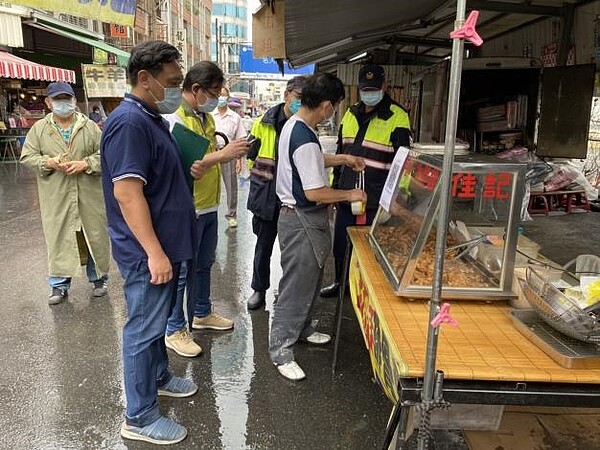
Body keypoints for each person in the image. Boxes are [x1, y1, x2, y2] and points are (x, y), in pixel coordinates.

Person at [100, 40, 199, 445]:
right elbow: (127, 193)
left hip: (164, 247)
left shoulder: (150, 116)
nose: (177, 89)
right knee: (142, 328)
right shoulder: (129, 122)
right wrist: (155, 252)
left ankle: (157, 377)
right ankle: (138, 416)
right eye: (172, 82)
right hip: (147, 253)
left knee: (155, 323)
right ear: (145, 78)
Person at [269, 73, 366, 381]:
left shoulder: (294, 126)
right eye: (334, 106)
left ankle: (303, 328)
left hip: (298, 216)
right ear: (325, 105)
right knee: (297, 285)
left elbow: (309, 161)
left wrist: (342, 159)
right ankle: (280, 349)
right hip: (300, 218)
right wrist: (350, 194)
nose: (333, 112)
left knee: (310, 280)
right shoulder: (304, 136)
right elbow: (314, 192)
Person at [162, 61, 249, 358]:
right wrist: (224, 154)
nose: (216, 99)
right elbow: (185, 164)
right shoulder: (175, 119)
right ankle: (174, 329)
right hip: (187, 207)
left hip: (209, 203)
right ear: (196, 89)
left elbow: (205, 158)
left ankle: (201, 312)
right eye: (213, 92)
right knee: (183, 270)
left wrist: (225, 154)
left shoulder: (204, 117)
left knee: (205, 263)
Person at [320, 64, 411, 298]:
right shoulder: (350, 113)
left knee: (371, 250)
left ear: (384, 86)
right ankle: (341, 283)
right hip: (347, 194)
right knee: (341, 244)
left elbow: (405, 163)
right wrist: (335, 187)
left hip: (376, 198)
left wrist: (396, 197)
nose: (369, 94)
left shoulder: (398, 116)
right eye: (364, 89)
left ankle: (368, 292)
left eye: (374, 88)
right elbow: (341, 152)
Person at [20, 82, 110, 305]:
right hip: (56, 196)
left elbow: (106, 155)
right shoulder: (40, 129)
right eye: (57, 100)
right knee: (59, 237)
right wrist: (47, 162)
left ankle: (99, 278)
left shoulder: (89, 127)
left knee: (93, 236)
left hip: (88, 195)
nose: (63, 104)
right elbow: (27, 157)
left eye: (66, 99)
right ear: (48, 103)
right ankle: (59, 285)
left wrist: (85, 164)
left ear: (73, 101)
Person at [245, 76, 306, 310]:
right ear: (286, 95)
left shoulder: (305, 126)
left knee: (291, 252)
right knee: (263, 247)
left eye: (304, 99)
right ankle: (258, 290)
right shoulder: (263, 122)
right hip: (266, 198)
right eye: (298, 98)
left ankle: (287, 294)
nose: (300, 103)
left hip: (291, 201)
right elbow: (252, 159)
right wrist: (263, 186)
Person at [212, 86, 246, 228]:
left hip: (229, 152)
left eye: (224, 95)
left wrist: (239, 160)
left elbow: (240, 139)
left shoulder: (235, 117)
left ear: (228, 97)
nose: (221, 97)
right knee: (209, 183)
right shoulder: (209, 115)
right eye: (219, 94)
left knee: (231, 186)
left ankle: (232, 214)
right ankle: (208, 212)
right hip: (212, 152)